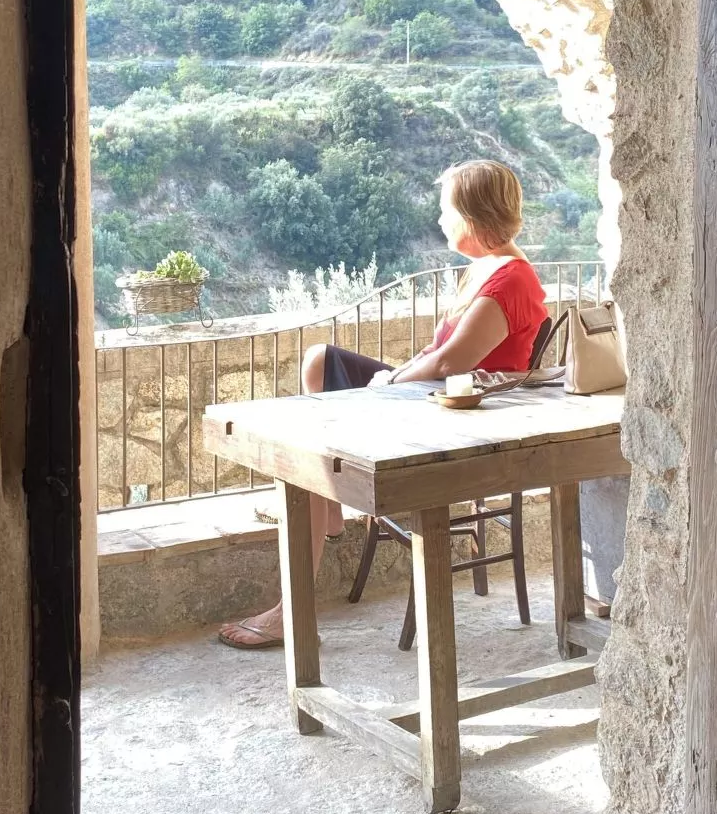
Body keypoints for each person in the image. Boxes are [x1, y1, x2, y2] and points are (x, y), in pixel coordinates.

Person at [218, 159, 548, 649]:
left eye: (446, 211)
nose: (440, 221)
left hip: (449, 419)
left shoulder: (511, 281)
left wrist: (390, 377)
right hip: (429, 398)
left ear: (473, 217)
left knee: (306, 454)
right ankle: (328, 504)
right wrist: (395, 374)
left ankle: (292, 607)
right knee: (319, 362)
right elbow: (440, 357)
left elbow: (452, 360)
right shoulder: (485, 270)